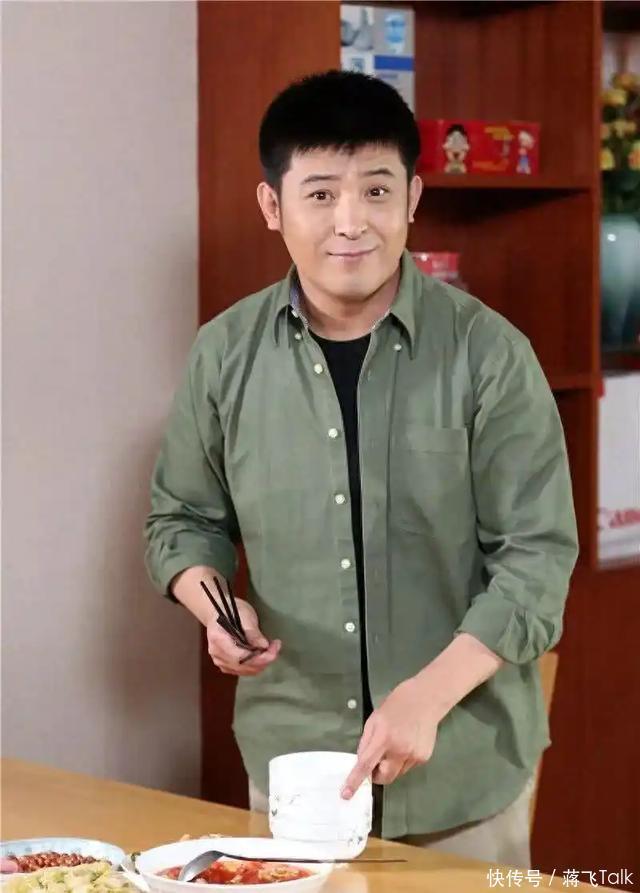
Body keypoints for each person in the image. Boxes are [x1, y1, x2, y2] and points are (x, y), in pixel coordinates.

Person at [144, 70, 578, 868]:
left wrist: (427, 696)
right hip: (295, 768)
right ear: (272, 205)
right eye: (320, 194)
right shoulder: (224, 353)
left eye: (376, 191)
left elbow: (538, 558)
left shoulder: (489, 354)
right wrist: (215, 611)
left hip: (465, 771)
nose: (351, 222)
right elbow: (182, 520)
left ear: (412, 197)